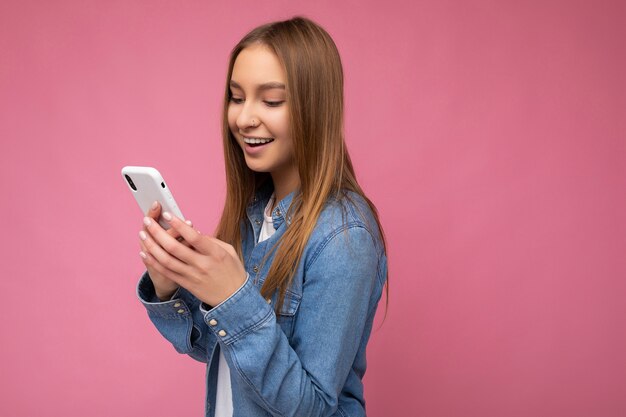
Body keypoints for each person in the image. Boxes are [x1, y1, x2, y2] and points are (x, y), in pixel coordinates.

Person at [135, 16, 388, 417]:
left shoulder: (344, 236)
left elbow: (312, 408)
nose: (244, 118)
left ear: (316, 107)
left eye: (271, 101)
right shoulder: (256, 214)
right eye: (237, 97)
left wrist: (232, 299)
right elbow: (228, 353)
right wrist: (169, 287)